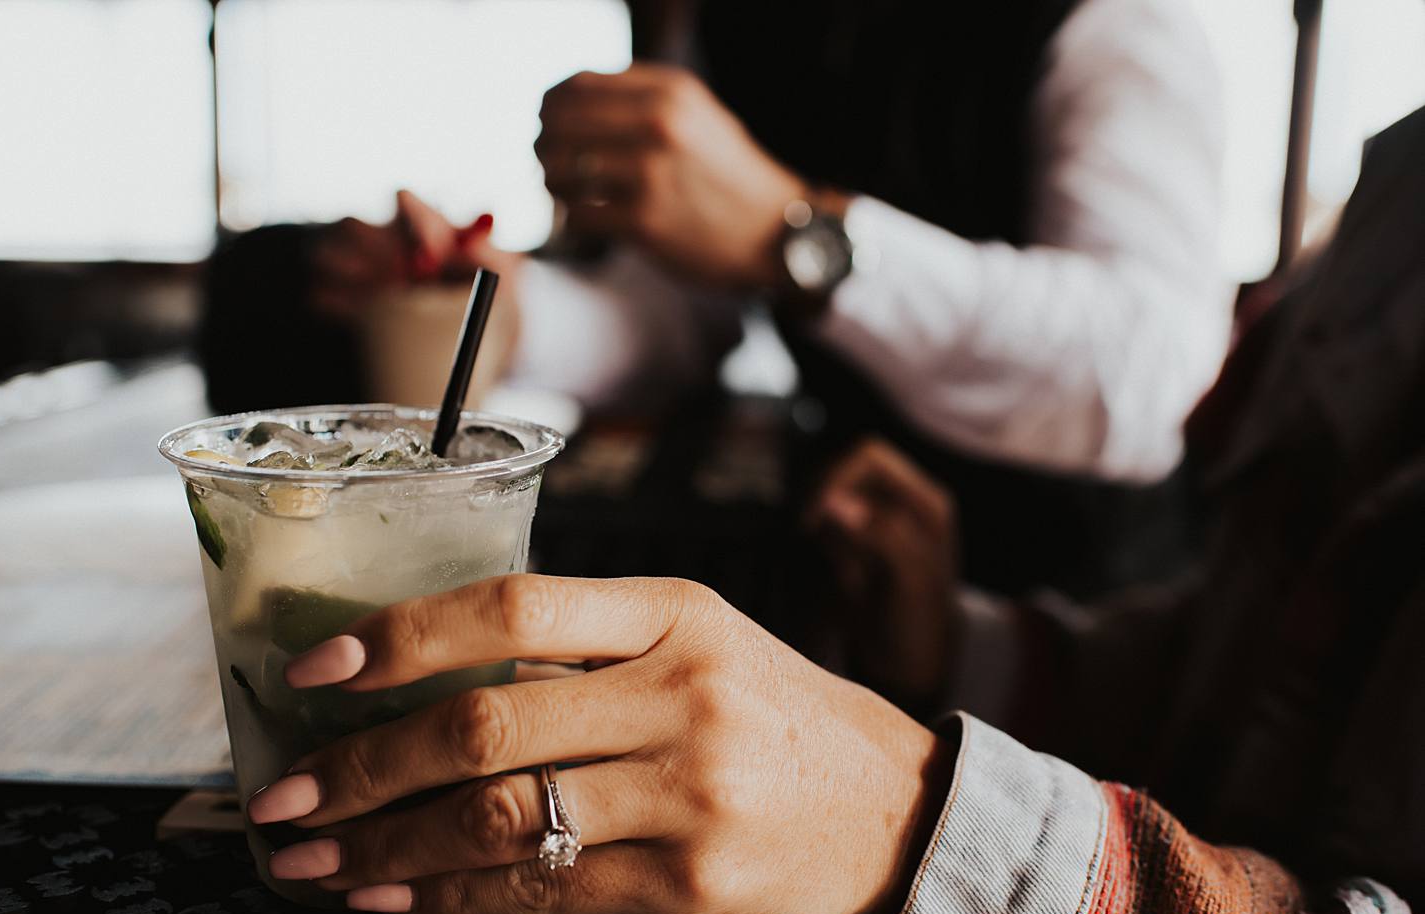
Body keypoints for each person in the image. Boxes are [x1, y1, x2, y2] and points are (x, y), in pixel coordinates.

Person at [240, 107, 1425, 914]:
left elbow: (1153, 372)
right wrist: (968, 646)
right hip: (908, 642)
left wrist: (924, 828)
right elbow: (1273, 663)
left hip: (1032, 621)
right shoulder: (1401, 179)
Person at [294, 0, 1232, 596]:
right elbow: (668, 318)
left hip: (1088, 624)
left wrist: (795, 239)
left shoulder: (1113, 20)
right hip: (852, 575)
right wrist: (505, 306)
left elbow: (1143, 377)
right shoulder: (742, 27)